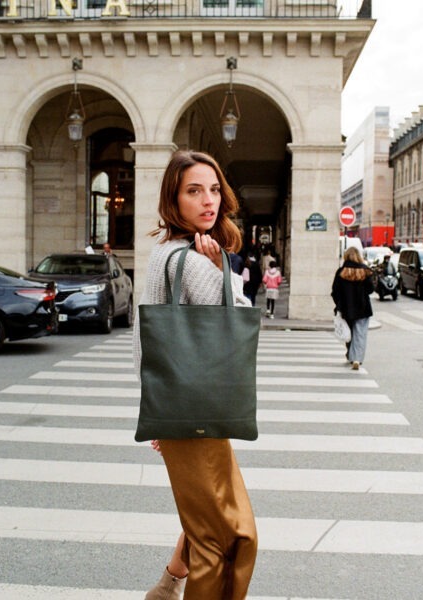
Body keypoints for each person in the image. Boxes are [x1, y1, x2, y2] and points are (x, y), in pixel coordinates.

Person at [133, 150, 257, 600]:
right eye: (193, 191)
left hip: (184, 409)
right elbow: (240, 316)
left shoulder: (162, 250)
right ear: (174, 198)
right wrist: (221, 267)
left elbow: (143, 336)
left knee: (206, 518)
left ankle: (166, 586)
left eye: (214, 189)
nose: (209, 200)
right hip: (202, 414)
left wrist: (157, 409)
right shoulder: (189, 259)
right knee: (230, 538)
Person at [331, 246, 374, 371]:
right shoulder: (365, 271)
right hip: (363, 307)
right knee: (360, 334)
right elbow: (370, 289)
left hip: (346, 308)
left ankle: (350, 354)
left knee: (348, 333)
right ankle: (356, 359)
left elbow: (335, 291)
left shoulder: (341, 272)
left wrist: (339, 304)